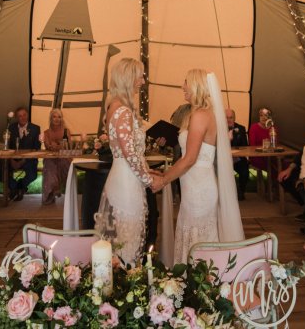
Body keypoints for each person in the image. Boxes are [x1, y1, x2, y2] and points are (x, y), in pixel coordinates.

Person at [151, 69, 244, 264]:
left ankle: (198, 286)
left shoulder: (201, 115)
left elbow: (190, 158)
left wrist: (164, 180)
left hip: (199, 189)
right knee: (194, 240)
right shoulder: (197, 114)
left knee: (198, 244)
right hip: (193, 186)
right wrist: (164, 172)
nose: (182, 86)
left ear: (196, 86)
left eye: (186, 82)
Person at [94, 58, 154, 266]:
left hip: (121, 179)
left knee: (118, 240)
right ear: (129, 78)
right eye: (140, 76)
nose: (143, 81)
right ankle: (127, 279)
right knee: (128, 241)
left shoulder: (113, 106)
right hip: (126, 184)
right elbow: (130, 154)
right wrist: (149, 180)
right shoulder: (123, 111)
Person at [7, 107, 41, 201]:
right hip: (13, 159)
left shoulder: (35, 128)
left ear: (28, 115)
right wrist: (11, 160)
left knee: (32, 174)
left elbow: (36, 148)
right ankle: (15, 188)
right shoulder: (11, 128)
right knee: (0, 172)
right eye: (20, 116)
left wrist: (23, 161)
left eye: (24, 115)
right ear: (17, 118)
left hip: (28, 160)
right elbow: (7, 147)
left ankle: (19, 187)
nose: (22, 118)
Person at [42, 109, 72, 205]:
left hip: (64, 158)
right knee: (49, 164)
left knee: (63, 163)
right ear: (51, 118)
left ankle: (56, 188)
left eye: (59, 117)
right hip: (51, 158)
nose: (57, 119)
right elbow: (48, 146)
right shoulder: (46, 132)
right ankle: (50, 194)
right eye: (54, 116)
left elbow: (68, 146)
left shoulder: (66, 132)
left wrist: (57, 146)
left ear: (61, 119)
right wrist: (55, 146)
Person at [226, 108, 249, 200]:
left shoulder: (241, 128)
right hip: (224, 159)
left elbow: (245, 145)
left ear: (234, 118)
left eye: (231, 117)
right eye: (226, 117)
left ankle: (241, 191)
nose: (228, 120)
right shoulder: (218, 128)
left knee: (245, 172)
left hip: (238, 158)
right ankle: (227, 194)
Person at [248, 107, 279, 171]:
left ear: (269, 117)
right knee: (271, 167)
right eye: (261, 115)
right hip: (257, 155)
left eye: (266, 115)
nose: (263, 117)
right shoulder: (254, 127)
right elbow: (252, 145)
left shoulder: (273, 128)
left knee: (281, 163)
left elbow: (275, 144)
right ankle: (273, 180)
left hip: (271, 154)